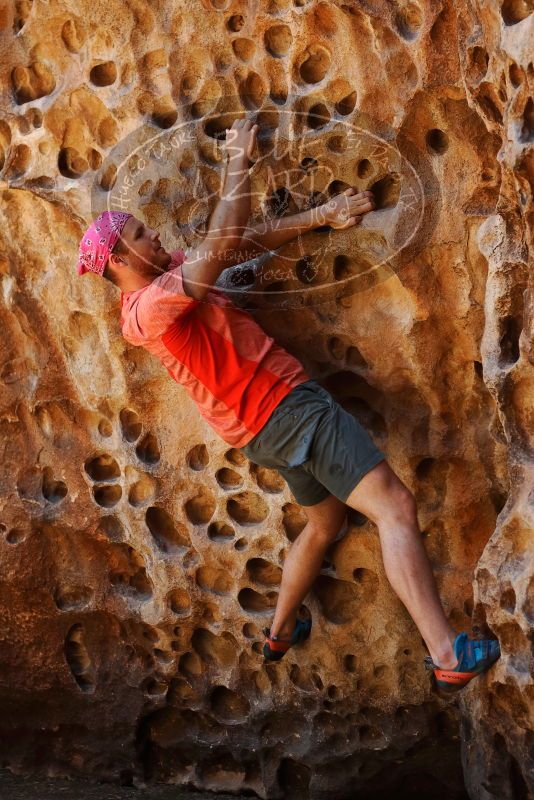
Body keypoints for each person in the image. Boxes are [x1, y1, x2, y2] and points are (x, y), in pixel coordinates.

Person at [77, 118, 500, 694]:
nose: (157, 239)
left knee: (326, 521)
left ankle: (280, 630)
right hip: (287, 409)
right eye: (144, 236)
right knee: (396, 507)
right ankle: (448, 653)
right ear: (120, 259)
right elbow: (224, 242)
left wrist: (319, 217)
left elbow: (237, 249)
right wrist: (238, 162)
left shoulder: (162, 281)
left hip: (259, 433)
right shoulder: (150, 306)